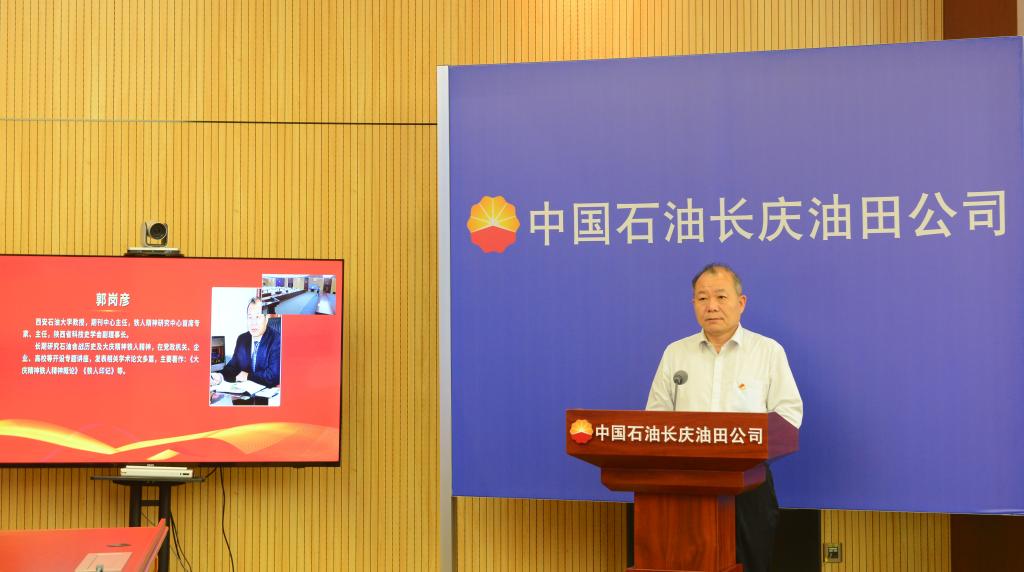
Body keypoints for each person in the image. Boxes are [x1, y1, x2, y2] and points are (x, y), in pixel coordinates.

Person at [646, 263, 802, 572]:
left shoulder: (768, 352)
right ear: (693, 304)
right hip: (686, 483)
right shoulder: (675, 354)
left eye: (720, 296)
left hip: (749, 483)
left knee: (751, 563)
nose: (712, 306)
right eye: (702, 298)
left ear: (741, 303)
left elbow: (788, 415)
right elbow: (656, 415)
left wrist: (746, 447)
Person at [211, 297, 281, 393]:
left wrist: (247, 376)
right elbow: (232, 367)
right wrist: (220, 376)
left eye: (257, 317)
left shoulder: (276, 339)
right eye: (250, 317)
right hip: (246, 394)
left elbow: (273, 376)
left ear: (266, 319)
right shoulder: (242, 339)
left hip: (268, 396)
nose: (253, 323)